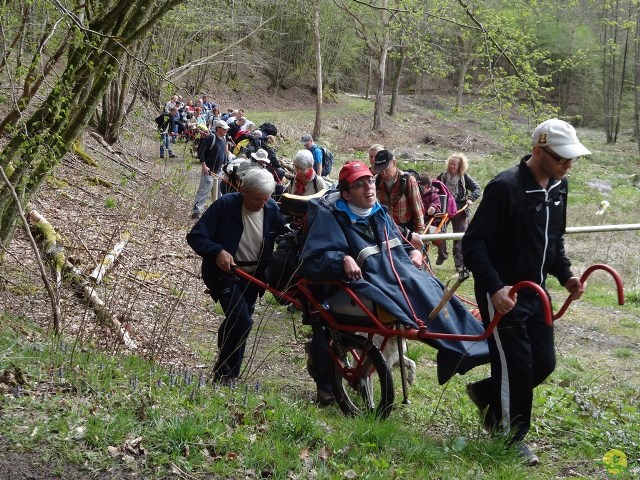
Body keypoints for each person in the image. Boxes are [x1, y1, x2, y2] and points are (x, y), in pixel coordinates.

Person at [299, 161, 489, 405]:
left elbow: (399, 239)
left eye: (369, 181)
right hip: (371, 282)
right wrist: (342, 259)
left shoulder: (377, 212)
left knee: (434, 288)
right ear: (346, 194)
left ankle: (471, 342)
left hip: (399, 272)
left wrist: (414, 251)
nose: (368, 187)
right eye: (359, 185)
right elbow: (314, 259)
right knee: (419, 295)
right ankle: (458, 348)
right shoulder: (332, 217)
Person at [461, 119, 589, 466]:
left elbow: (553, 241)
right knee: (516, 367)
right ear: (538, 151)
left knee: (543, 363)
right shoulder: (505, 187)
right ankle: (508, 435)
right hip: (504, 295)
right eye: (562, 158)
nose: (568, 165)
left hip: (537, 293)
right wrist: (495, 287)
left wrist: (566, 276)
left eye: (571, 159)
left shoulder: (559, 188)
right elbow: (473, 244)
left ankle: (487, 392)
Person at [187, 168, 288, 384]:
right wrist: (217, 252)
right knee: (242, 320)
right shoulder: (225, 206)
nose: (261, 203)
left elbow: (283, 234)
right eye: (256, 199)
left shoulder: (270, 208)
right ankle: (226, 375)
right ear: (242, 191)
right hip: (226, 274)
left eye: (265, 198)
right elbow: (196, 236)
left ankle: (225, 352)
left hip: (254, 277)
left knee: (237, 322)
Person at [436, 153, 481, 271]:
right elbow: (434, 190)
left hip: (460, 209)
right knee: (439, 232)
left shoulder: (464, 177)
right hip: (444, 208)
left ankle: (459, 264)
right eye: (450, 163)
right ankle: (442, 255)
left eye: (454, 164)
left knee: (460, 236)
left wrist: (471, 199)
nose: (452, 166)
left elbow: (477, 189)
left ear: (460, 165)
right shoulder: (442, 176)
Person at [372, 150, 425, 236]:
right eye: (380, 170)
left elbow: (418, 211)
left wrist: (419, 236)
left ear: (394, 163)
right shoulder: (375, 181)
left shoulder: (408, 181)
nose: (383, 173)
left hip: (406, 230)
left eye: (386, 169)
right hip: (385, 229)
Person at [191, 120, 230, 219]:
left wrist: (225, 165)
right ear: (218, 129)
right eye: (224, 129)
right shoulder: (211, 138)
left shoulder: (224, 139)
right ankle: (196, 212)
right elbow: (201, 151)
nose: (226, 130)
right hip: (208, 170)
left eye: (226, 129)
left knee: (217, 193)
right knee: (203, 191)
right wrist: (204, 165)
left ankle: (218, 212)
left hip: (219, 171)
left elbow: (224, 153)